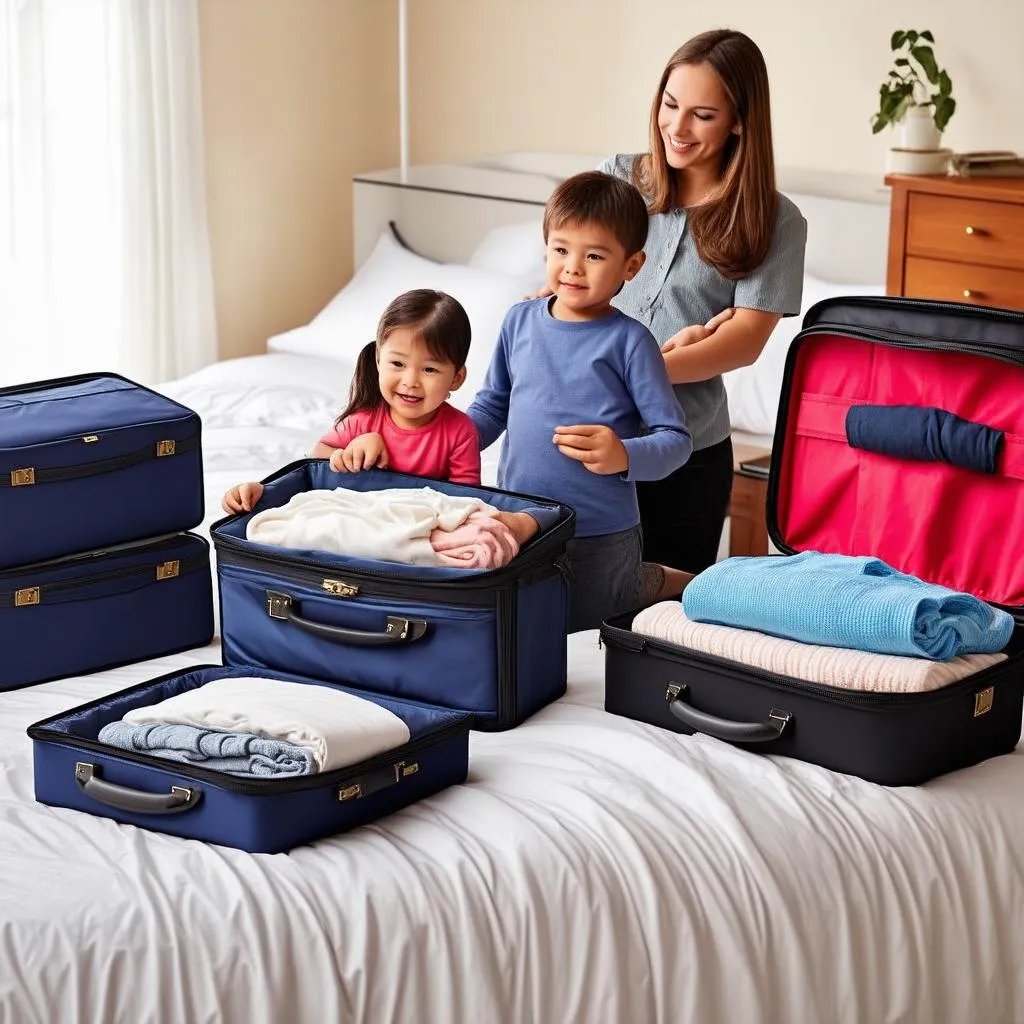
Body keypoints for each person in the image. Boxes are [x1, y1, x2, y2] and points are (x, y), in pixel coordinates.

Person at [598, 28, 808, 574]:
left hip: (687, 456)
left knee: (661, 628)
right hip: (591, 436)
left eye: (702, 114)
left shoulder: (774, 220)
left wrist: (638, 370)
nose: (677, 127)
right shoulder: (619, 179)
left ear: (740, 120)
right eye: (670, 104)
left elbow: (744, 341)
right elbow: (569, 278)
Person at [467, 170, 694, 632]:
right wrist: (443, 437)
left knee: (593, 635)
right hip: (523, 519)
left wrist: (623, 454)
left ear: (630, 267)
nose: (572, 267)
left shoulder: (631, 342)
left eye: (594, 255)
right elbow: (491, 407)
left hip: (600, 534)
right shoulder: (518, 321)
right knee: (531, 633)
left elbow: (675, 440)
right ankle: (644, 578)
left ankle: (658, 581)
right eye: (560, 250)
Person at [222, 289, 539, 546]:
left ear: (456, 378)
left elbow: (466, 504)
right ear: (377, 360)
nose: (410, 381)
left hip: (416, 533)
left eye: (429, 369)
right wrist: (352, 450)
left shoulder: (460, 432)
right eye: (397, 364)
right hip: (356, 528)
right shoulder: (364, 421)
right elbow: (315, 468)